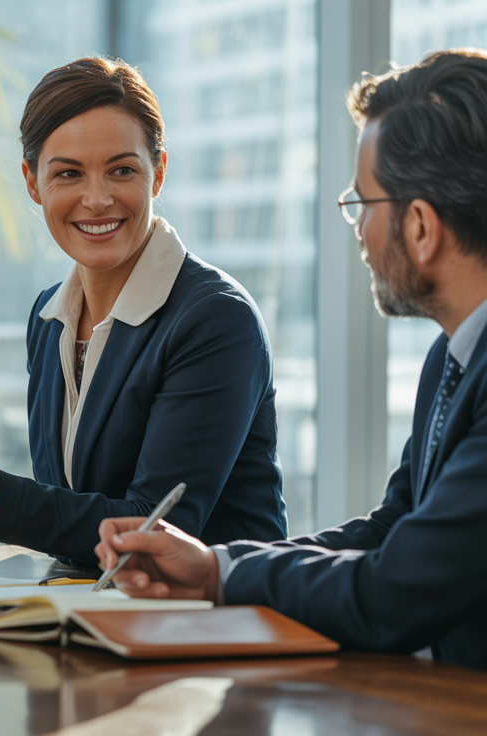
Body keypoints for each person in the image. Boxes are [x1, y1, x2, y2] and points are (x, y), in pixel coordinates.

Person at [94, 49, 487, 671]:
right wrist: (216, 564)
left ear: (420, 226)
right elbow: (391, 531)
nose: (357, 232)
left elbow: (394, 592)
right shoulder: (453, 357)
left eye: (364, 206)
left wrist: (217, 579)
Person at [0, 57, 287, 567]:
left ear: (158, 173)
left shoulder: (215, 319)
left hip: (213, 625)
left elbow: (154, 532)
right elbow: (76, 507)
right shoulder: (49, 316)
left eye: (122, 170)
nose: (96, 200)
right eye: (69, 173)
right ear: (32, 182)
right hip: (95, 607)